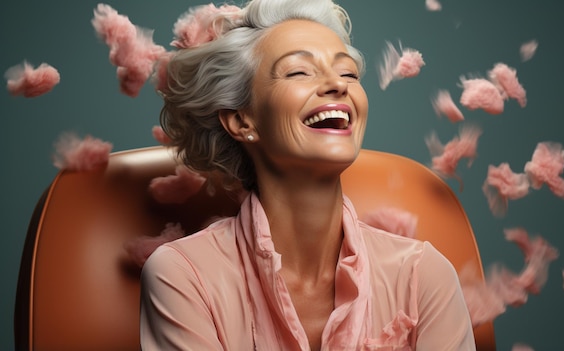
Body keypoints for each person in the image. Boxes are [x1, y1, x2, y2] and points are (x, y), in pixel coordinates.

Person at [140, 0, 476, 349]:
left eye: (348, 74)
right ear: (242, 121)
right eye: (299, 72)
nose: (338, 84)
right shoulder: (183, 276)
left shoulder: (423, 277)